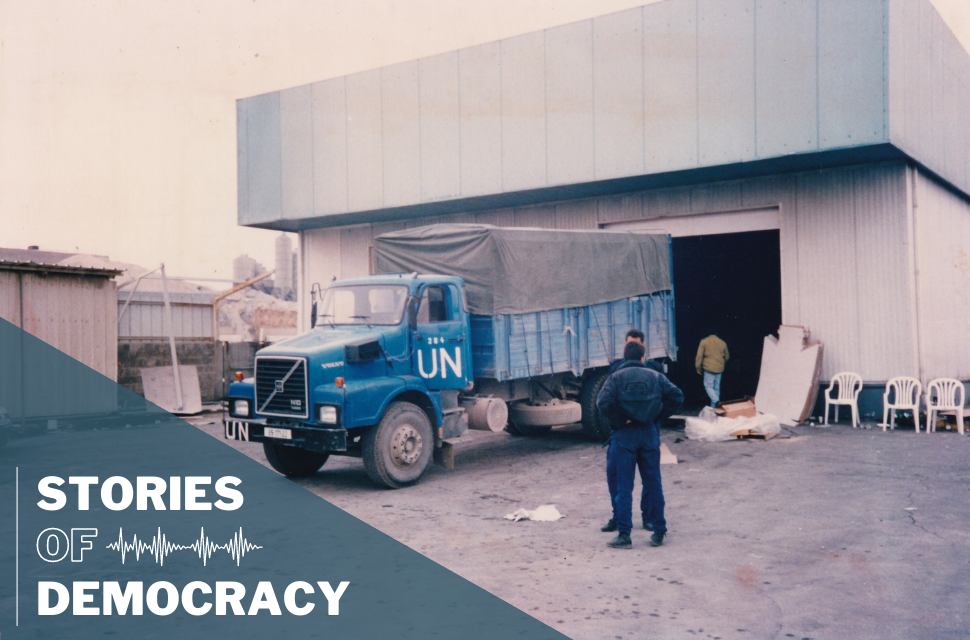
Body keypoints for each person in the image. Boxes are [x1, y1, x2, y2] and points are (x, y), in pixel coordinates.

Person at [597, 341, 683, 549]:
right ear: (643, 357)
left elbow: (602, 402)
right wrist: (657, 417)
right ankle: (659, 531)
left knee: (624, 485)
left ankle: (625, 535)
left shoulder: (615, 378)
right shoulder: (656, 376)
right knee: (653, 482)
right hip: (649, 433)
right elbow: (677, 396)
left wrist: (620, 420)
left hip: (625, 435)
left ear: (625, 358)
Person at [601, 329, 665, 535]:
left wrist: (656, 415)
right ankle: (618, 515)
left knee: (648, 478)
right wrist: (620, 419)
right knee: (615, 475)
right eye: (628, 343)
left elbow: (667, 396)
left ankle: (647, 517)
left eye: (635, 344)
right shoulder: (616, 369)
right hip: (624, 430)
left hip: (646, 428)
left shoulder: (655, 369)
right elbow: (606, 400)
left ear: (643, 348)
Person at [695, 331, 729, 407]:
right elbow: (727, 356)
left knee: (708, 386)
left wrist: (698, 367)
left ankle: (716, 401)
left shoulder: (704, 341)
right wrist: (721, 363)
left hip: (708, 368)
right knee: (716, 388)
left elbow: (699, 356)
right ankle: (714, 409)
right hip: (719, 368)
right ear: (717, 333)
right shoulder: (722, 343)